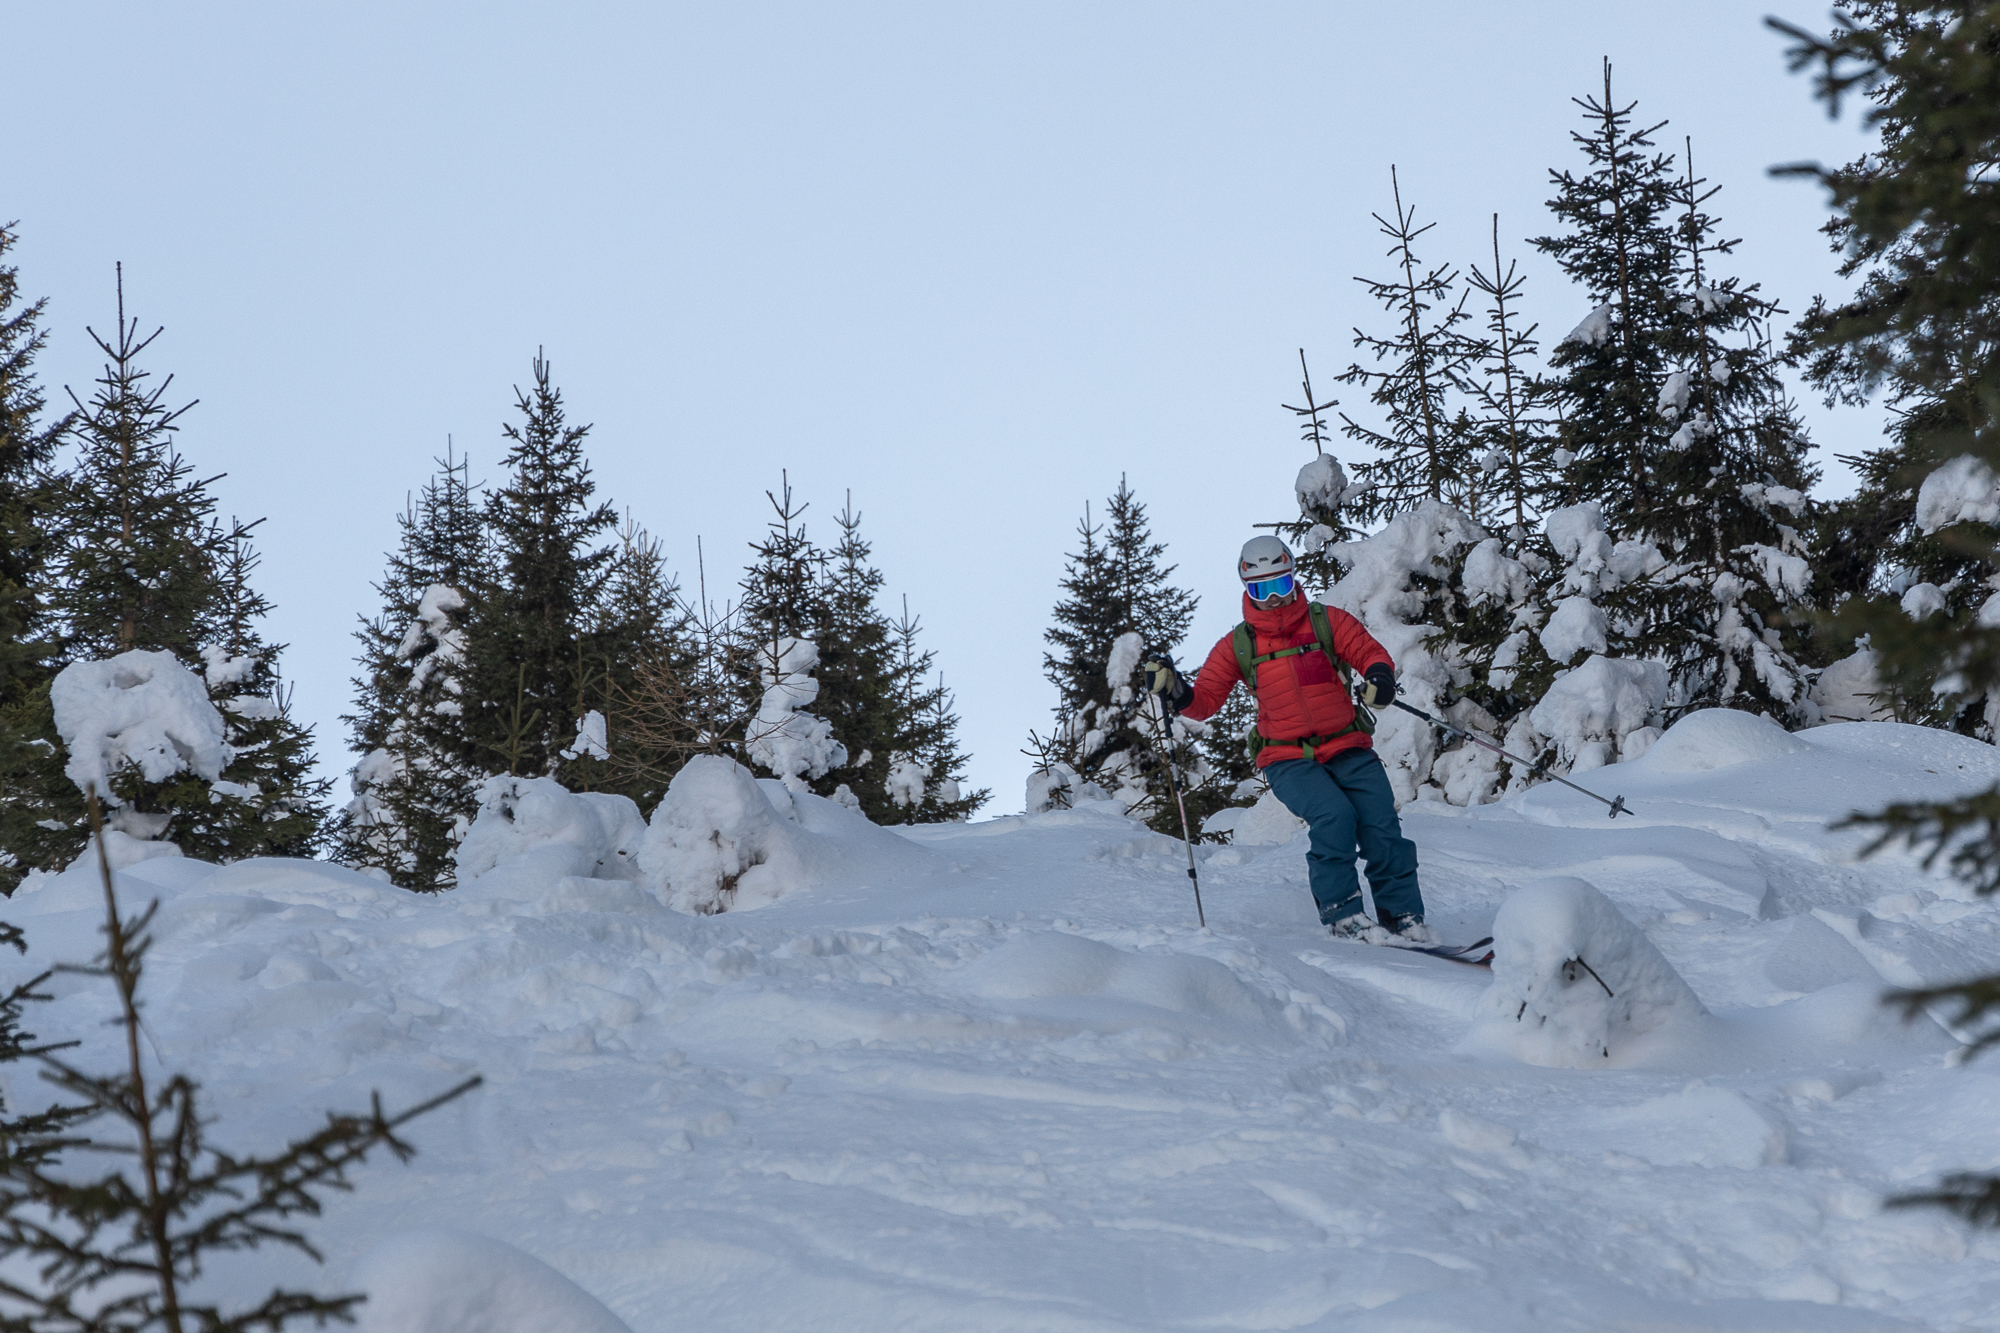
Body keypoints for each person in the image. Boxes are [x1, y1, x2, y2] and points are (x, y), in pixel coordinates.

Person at [1142, 535, 1432, 943]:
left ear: (1293, 579)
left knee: (1381, 825)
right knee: (1334, 817)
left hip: (1347, 745)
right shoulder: (1238, 645)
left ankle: (1402, 916)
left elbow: (1369, 653)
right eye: (1261, 589)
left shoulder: (1326, 621)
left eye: (1279, 585)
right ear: (1247, 590)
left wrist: (1380, 678)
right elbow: (1203, 702)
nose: (1274, 598)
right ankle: (1343, 915)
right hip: (1287, 757)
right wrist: (1176, 691)